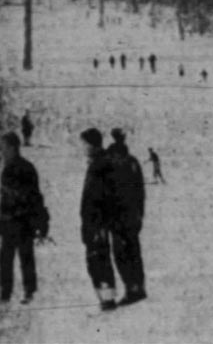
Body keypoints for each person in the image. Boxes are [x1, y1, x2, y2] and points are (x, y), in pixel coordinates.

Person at [0, 132, 49, 304]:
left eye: (3, 147)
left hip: (22, 221)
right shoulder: (9, 166)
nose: (1, 151)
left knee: (25, 257)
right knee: (6, 258)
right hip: (9, 221)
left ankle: (28, 291)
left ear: (12, 147)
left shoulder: (25, 168)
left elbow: (34, 196)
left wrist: (40, 222)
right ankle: (6, 293)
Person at [106, 129, 148, 305]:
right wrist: (140, 214)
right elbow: (140, 192)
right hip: (132, 216)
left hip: (119, 218)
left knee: (122, 254)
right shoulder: (133, 162)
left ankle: (132, 290)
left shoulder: (114, 163)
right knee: (134, 253)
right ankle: (138, 288)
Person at [79, 128, 119, 311]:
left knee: (99, 262)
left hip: (97, 224)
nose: (83, 148)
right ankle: (106, 301)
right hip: (93, 224)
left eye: (85, 145)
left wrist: (100, 226)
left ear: (93, 145)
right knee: (96, 261)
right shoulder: (97, 163)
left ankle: (108, 302)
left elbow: (105, 198)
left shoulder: (101, 165)